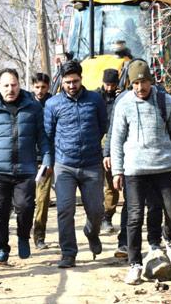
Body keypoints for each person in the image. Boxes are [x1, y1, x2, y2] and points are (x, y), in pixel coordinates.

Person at [111, 59, 171, 285]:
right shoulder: (124, 104)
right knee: (134, 217)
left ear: (151, 80)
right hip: (134, 170)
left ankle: (168, 237)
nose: (139, 87)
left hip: (163, 167)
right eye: (135, 83)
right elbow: (116, 140)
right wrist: (117, 171)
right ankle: (135, 264)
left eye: (143, 82)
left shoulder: (165, 102)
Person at [0, 69, 48, 265]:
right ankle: (1, 249)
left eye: (14, 84)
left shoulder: (33, 108)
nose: (10, 89)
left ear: (19, 85)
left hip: (26, 170)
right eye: (6, 85)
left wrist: (47, 158)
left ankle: (23, 236)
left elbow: (42, 137)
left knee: (25, 207)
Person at [42, 60, 109, 268]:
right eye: (68, 82)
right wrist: (48, 161)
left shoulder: (95, 100)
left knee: (97, 210)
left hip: (91, 164)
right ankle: (68, 253)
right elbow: (47, 135)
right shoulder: (52, 104)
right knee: (64, 209)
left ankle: (91, 231)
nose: (72, 85)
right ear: (62, 82)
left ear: (82, 79)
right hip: (65, 165)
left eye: (75, 81)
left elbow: (103, 127)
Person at [30, 72, 56, 249]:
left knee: (43, 200)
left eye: (43, 87)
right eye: (37, 87)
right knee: (24, 201)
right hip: (25, 158)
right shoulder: (26, 103)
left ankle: (39, 236)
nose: (40, 91)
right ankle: (24, 233)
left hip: (46, 158)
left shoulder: (54, 104)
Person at [97, 69, 123, 233]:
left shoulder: (121, 98)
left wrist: (120, 97)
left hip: (113, 145)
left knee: (111, 186)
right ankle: (94, 216)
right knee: (92, 186)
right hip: (94, 145)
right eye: (107, 84)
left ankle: (107, 217)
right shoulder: (94, 98)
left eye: (113, 85)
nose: (109, 88)